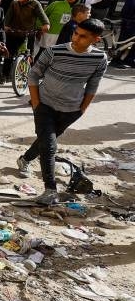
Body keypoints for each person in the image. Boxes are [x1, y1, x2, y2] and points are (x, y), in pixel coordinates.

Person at [17, 19, 108, 205]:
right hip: (45, 105)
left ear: (96, 39)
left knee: (45, 139)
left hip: (71, 110)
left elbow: (92, 85)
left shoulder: (99, 58)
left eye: (83, 36)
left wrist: (82, 109)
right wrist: (36, 103)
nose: (76, 38)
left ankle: (25, 159)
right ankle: (50, 189)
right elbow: (34, 74)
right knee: (49, 146)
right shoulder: (54, 51)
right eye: (76, 33)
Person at [2, 0, 50, 80]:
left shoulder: (35, 4)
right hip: (13, 32)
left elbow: (42, 16)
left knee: (30, 56)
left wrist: (46, 24)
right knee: (9, 54)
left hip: (29, 33)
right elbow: (8, 16)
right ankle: (5, 75)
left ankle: (28, 76)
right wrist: (6, 25)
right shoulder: (14, 3)